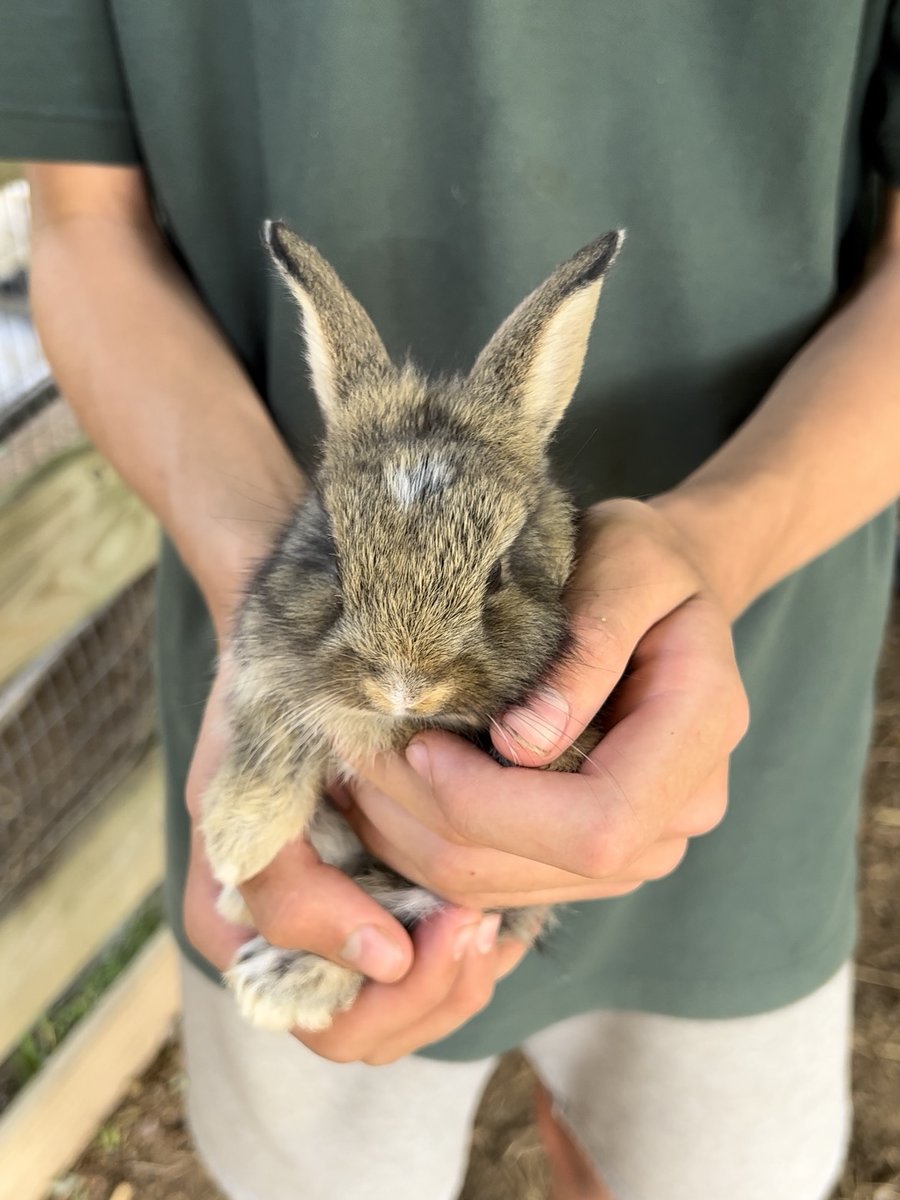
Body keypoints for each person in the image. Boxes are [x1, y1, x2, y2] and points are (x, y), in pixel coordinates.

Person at [2, 4, 899, 1198]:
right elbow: (84, 225)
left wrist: (710, 548)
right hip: (264, 686)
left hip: (744, 711)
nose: (406, 673)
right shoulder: (313, 622)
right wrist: (257, 636)